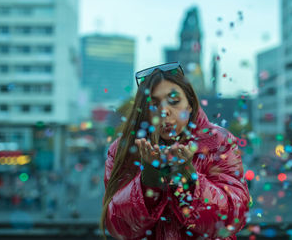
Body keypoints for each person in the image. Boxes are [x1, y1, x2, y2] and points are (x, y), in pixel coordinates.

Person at [100, 62, 250, 240]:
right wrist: (148, 180)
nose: (164, 111)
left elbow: (235, 217)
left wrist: (190, 180)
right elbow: (120, 227)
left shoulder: (218, 143)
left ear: (190, 105)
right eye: (154, 104)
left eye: (174, 101)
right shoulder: (122, 150)